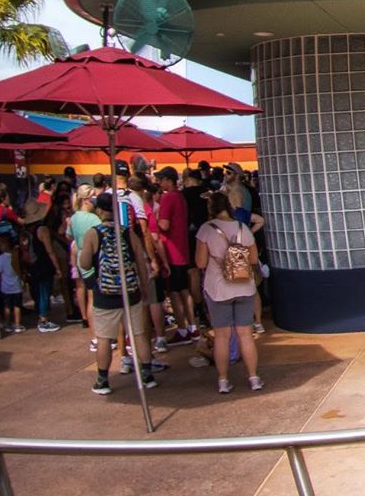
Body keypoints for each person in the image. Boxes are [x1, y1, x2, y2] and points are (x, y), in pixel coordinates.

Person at [82, 193, 158, 395]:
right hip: (130, 291)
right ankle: (147, 375)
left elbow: (85, 264)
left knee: (104, 338)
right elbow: (140, 262)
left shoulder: (93, 234)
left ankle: (102, 381)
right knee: (139, 334)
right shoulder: (127, 233)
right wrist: (143, 286)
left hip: (105, 294)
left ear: (99, 210)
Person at [196, 192, 263, 393]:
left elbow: (200, 262)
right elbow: (253, 259)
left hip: (218, 288)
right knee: (246, 335)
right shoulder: (243, 227)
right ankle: (254, 378)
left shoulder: (206, 230)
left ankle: (223, 380)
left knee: (222, 336)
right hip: (244, 286)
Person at [152, 168, 199, 342]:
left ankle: (182, 329)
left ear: (168, 180)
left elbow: (164, 225)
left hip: (171, 251)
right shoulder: (180, 197)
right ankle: (192, 327)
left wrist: (153, 219)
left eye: (161, 179)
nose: (160, 183)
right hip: (181, 250)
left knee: (174, 292)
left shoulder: (168, 198)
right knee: (184, 290)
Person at [22, 196, 64, 333]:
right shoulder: (42, 229)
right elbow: (49, 250)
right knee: (45, 291)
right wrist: (57, 268)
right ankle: (43, 319)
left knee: (37, 291)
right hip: (43, 264)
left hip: (31, 265)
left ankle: (40, 314)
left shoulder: (25, 231)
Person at [68, 187, 102, 348]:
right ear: (86, 199)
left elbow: (69, 235)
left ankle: (95, 337)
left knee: (91, 298)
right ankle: (99, 336)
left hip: (82, 260)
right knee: (96, 299)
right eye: (93, 196)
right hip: (95, 261)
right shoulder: (94, 219)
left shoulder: (74, 218)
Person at [0, 224, 26, 333]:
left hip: (6, 287)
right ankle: (17, 324)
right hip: (16, 285)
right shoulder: (16, 256)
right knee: (17, 306)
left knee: (7, 306)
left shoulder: (2, 258)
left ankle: (7, 323)